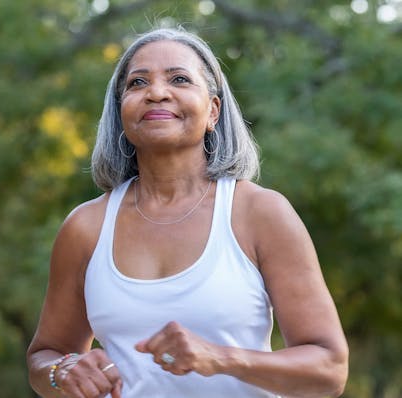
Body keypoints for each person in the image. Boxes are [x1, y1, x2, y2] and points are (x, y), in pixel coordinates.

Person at [25, 27, 348, 398]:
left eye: (179, 79)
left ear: (213, 110)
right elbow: (43, 356)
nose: (157, 92)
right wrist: (62, 371)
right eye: (137, 83)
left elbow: (329, 370)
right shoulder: (85, 227)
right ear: (121, 112)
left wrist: (222, 358)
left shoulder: (259, 213)